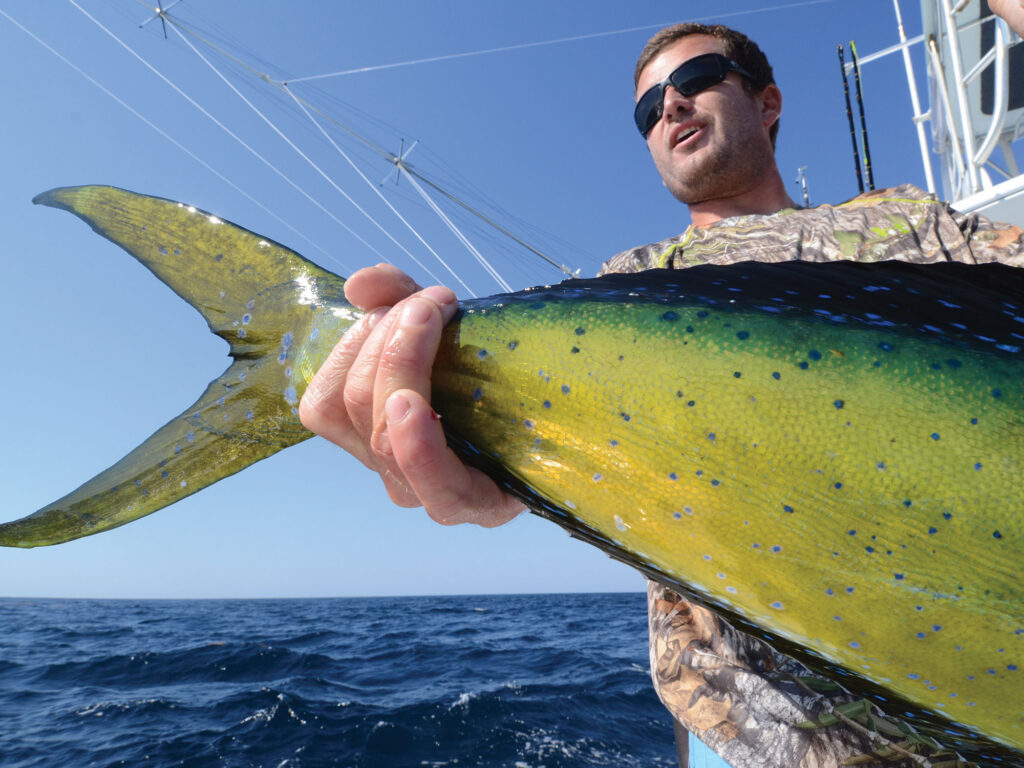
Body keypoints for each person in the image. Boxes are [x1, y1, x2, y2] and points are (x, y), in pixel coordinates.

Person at [300, 18, 1024, 768]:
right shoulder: (631, 285)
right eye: (649, 109)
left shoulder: (913, 221)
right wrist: (423, 391)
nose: (670, 107)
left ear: (768, 102)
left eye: (697, 79)